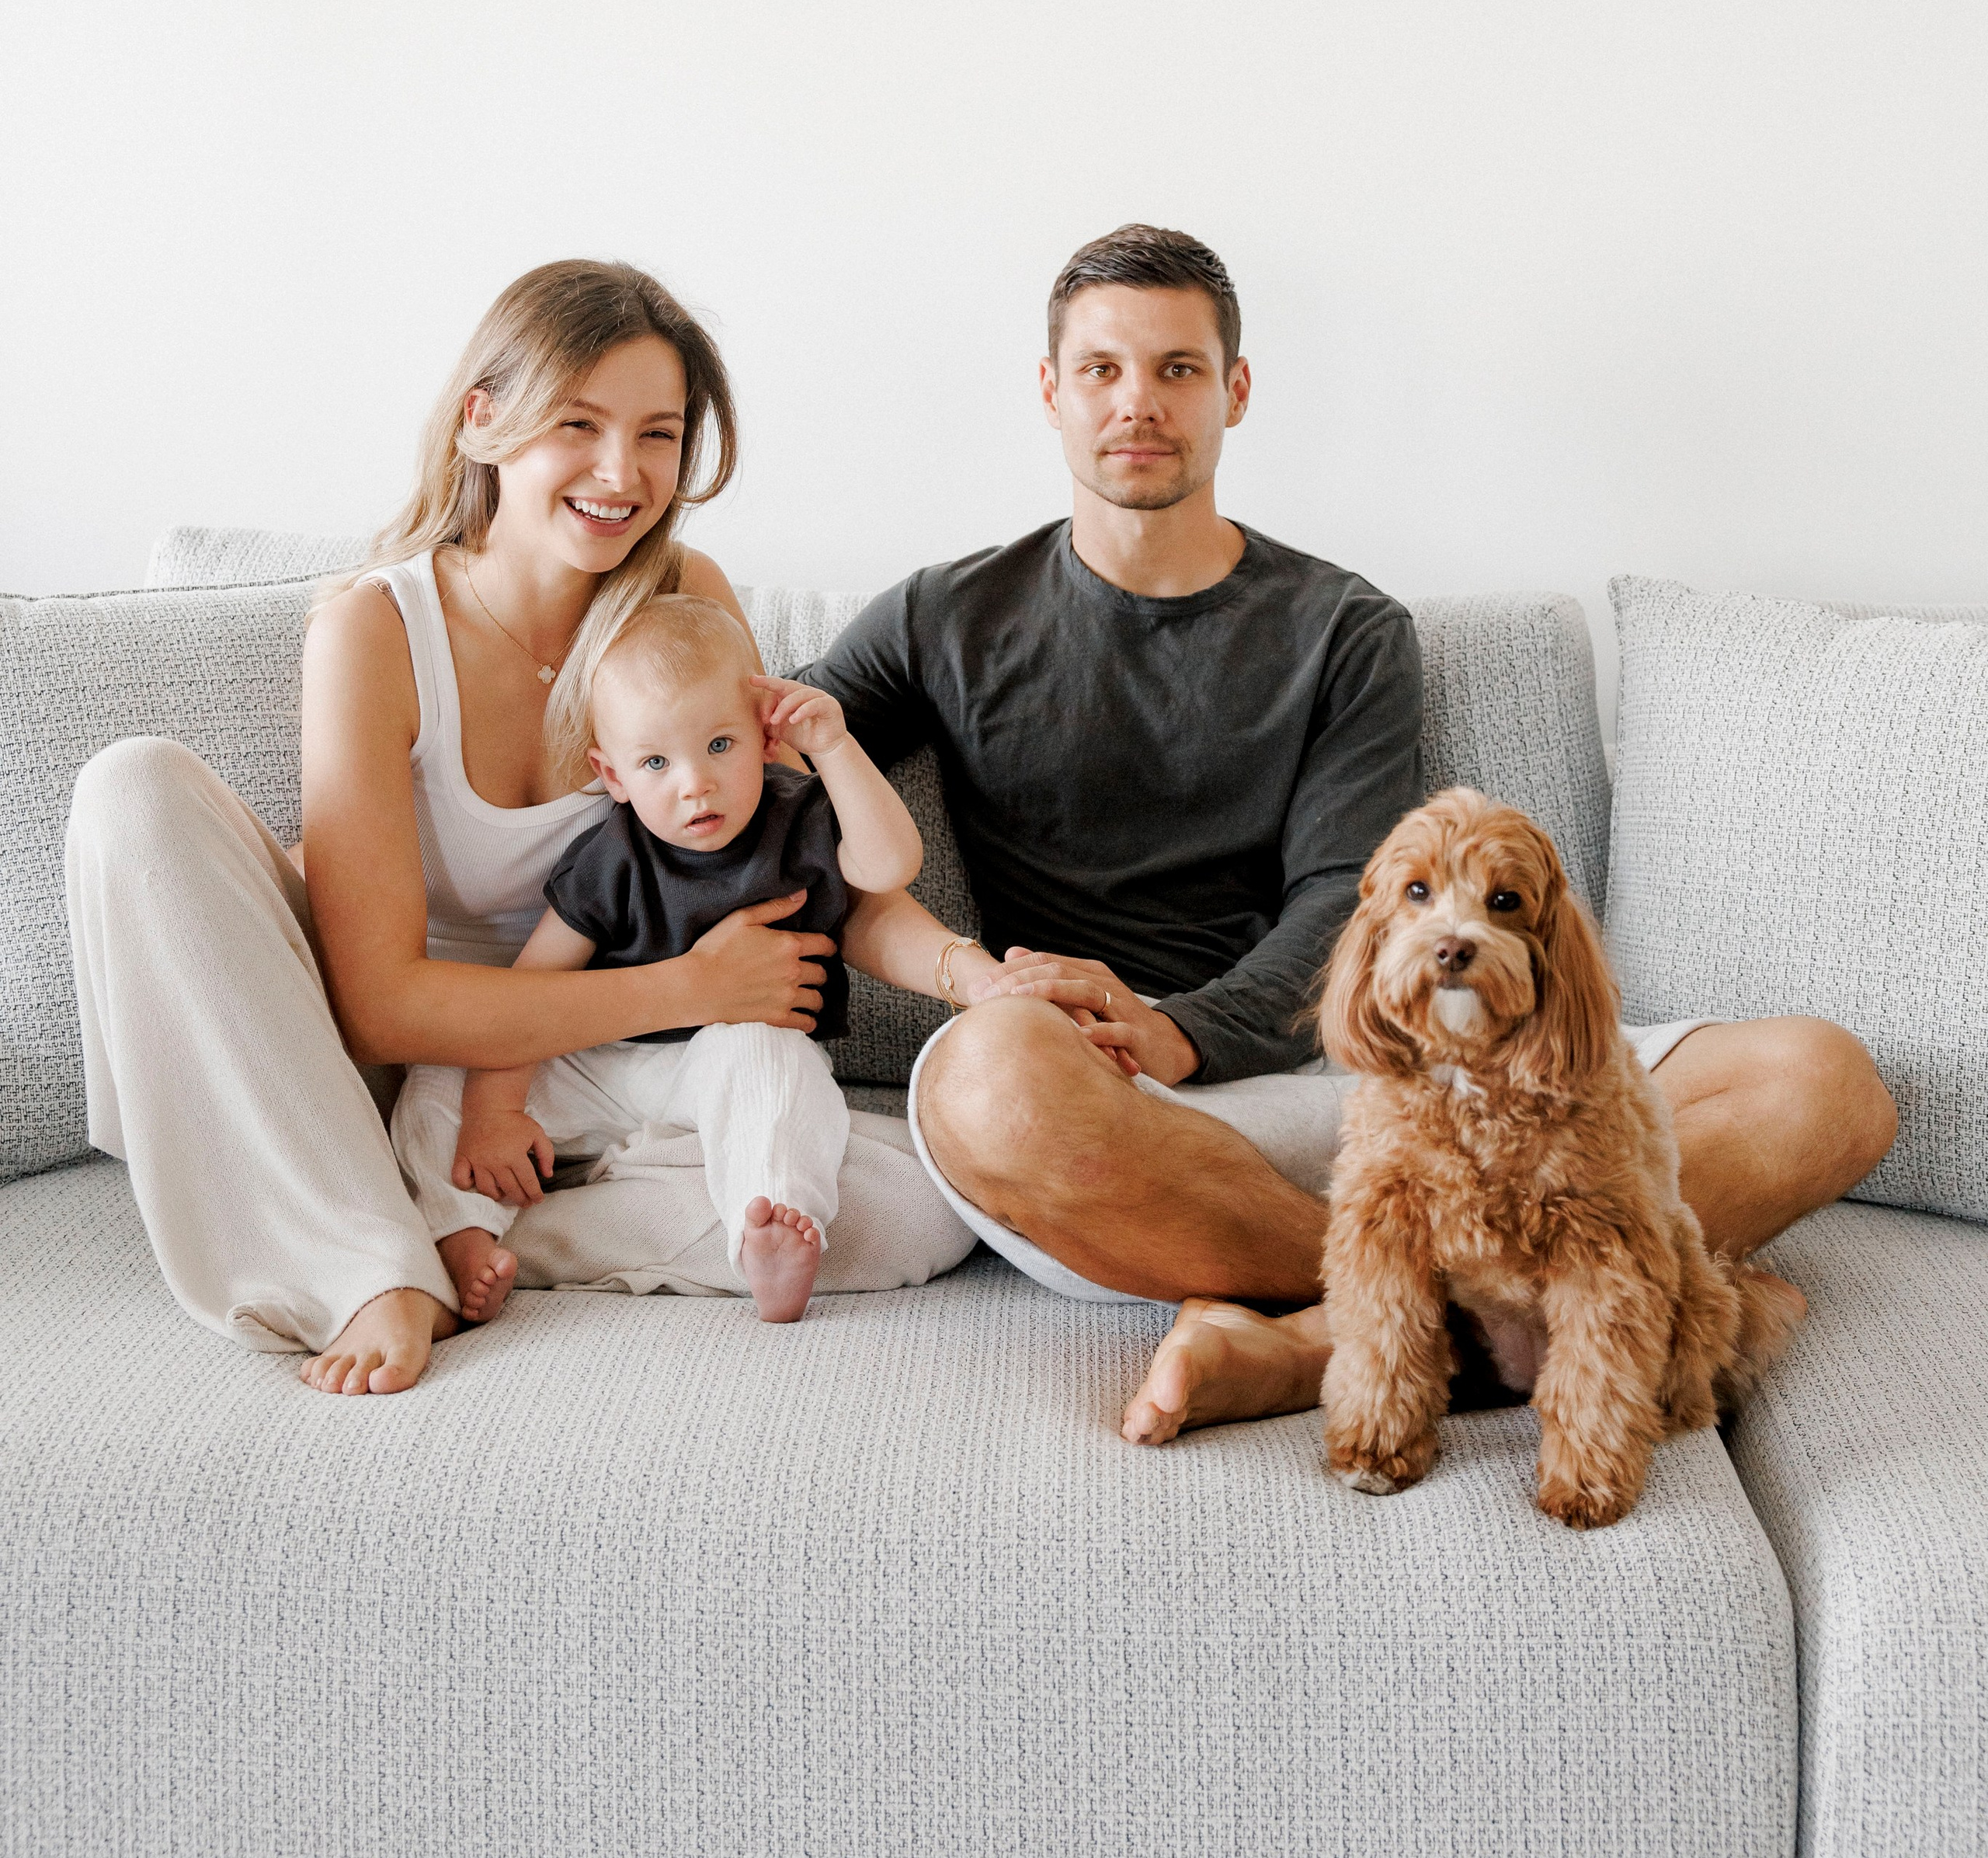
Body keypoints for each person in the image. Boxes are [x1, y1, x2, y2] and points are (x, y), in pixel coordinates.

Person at [812, 223, 1900, 1444]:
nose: (1138, 402)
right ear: (1051, 390)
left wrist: (1187, 1030)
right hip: (1130, 1127)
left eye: (1178, 368)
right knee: (985, 1079)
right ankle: (1500, 1318)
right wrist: (964, 972)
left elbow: (1347, 901)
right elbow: (745, 780)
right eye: (1103, 369)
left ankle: (1317, 1345)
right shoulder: (942, 615)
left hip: (1376, 1082)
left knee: (1823, 1083)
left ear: (1235, 390)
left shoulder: (1345, 627)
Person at [65, 259, 973, 1397]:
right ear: (483, 422)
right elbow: (381, 1006)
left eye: (656, 434)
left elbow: (806, 866)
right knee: (132, 786)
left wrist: (974, 974)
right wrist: (689, 987)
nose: (621, 473)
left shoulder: (685, 597)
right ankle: (369, 1262)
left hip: (620, 1083)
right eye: (578, 424)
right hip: (412, 1080)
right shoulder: (376, 628)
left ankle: (474, 1242)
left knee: (921, 1212)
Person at [391, 596, 925, 1325]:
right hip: (601, 1063)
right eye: (655, 762)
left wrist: (834, 749)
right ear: (612, 776)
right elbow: (533, 988)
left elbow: (890, 865)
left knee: (772, 1054)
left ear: (764, 737)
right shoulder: (611, 858)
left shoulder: (799, 816)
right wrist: (495, 1113)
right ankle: (463, 1230)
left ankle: (767, 1222)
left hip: (717, 1070)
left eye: (720, 745)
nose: (693, 783)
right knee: (441, 1076)